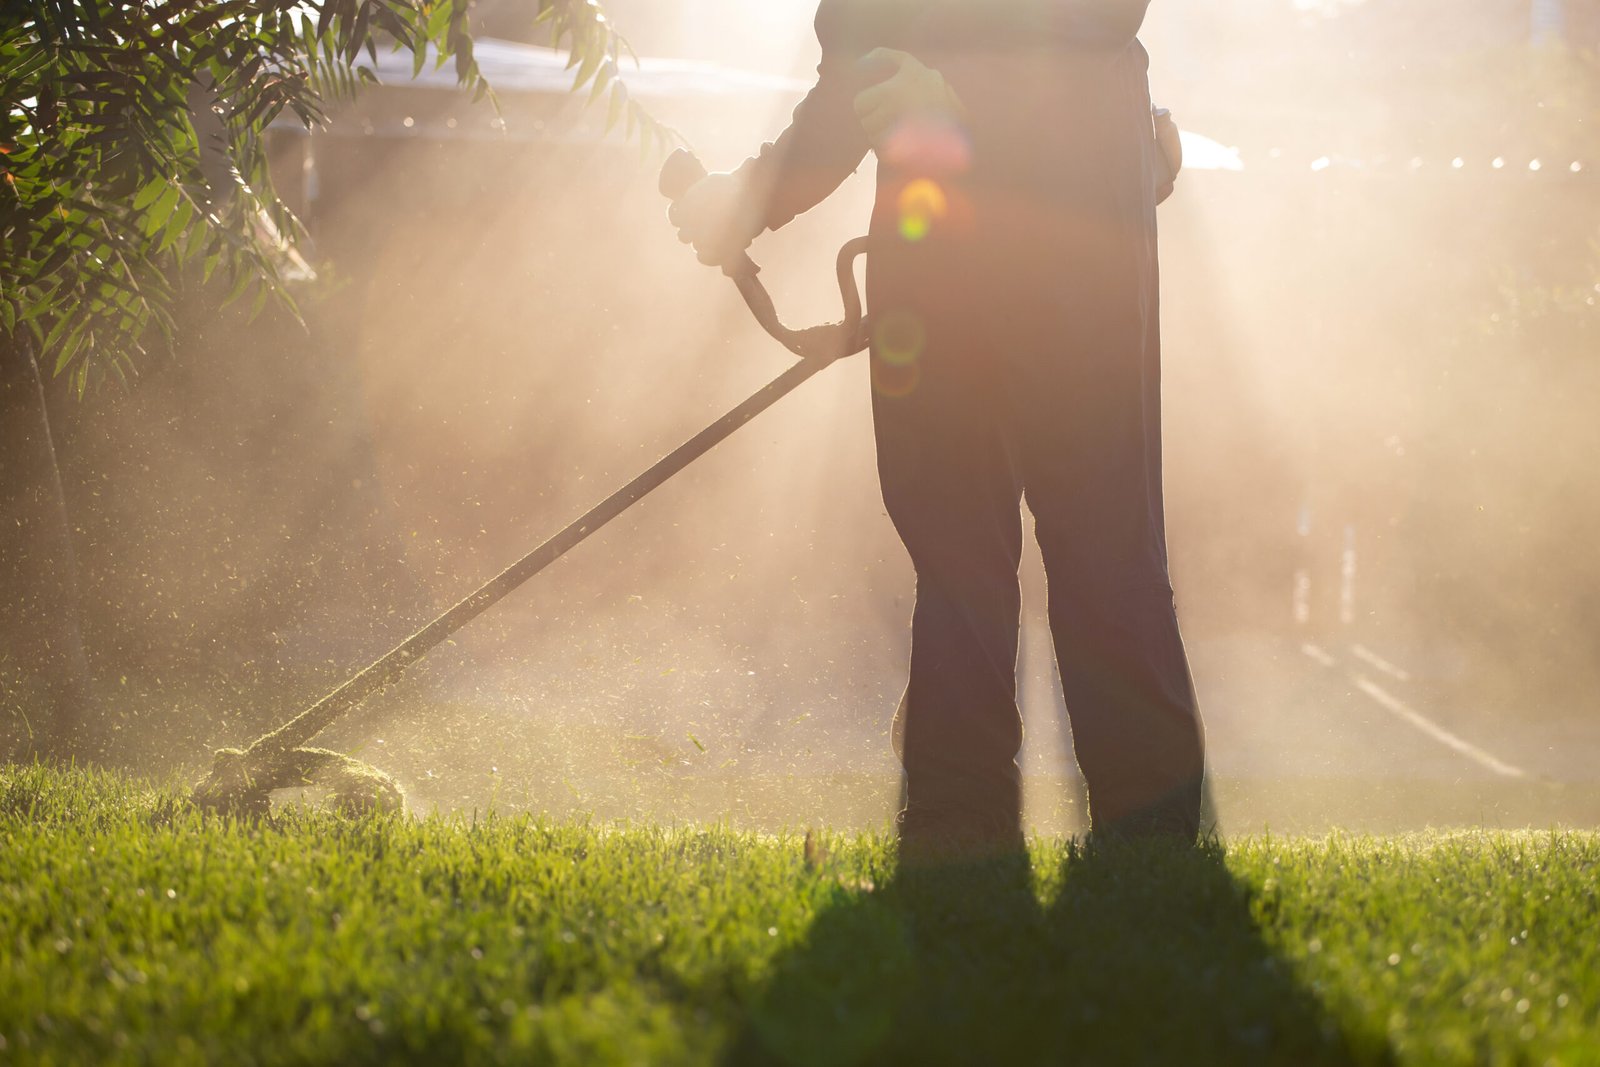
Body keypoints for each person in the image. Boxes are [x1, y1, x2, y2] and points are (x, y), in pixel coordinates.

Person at [670, 0, 1205, 857]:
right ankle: (981, 818)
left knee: (1075, 537)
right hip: (978, 248)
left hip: (1053, 242)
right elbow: (865, 69)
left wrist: (971, 100)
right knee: (976, 540)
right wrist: (749, 198)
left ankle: (1096, 832)